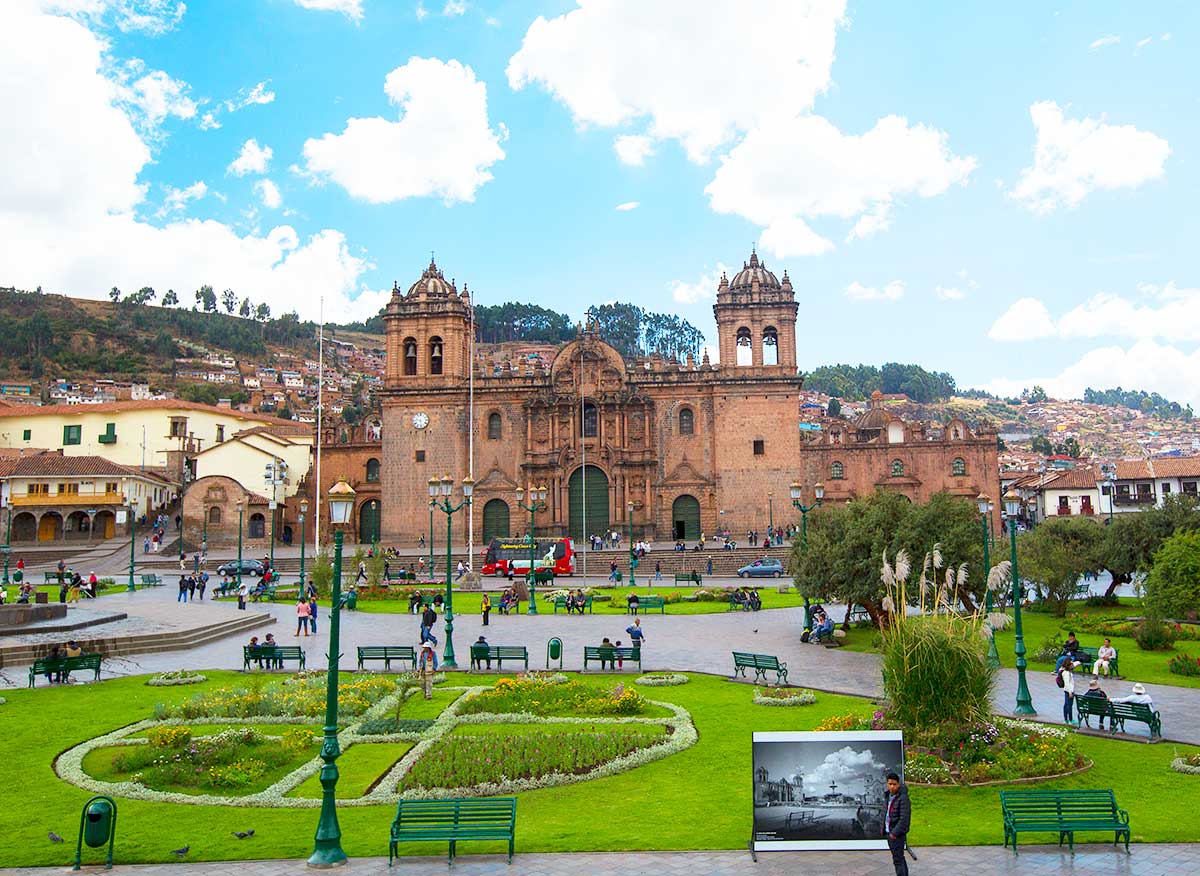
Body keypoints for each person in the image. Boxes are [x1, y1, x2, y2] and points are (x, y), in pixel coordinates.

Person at [883, 772, 911, 876]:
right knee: (899, 858)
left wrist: (894, 833)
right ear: (887, 784)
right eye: (890, 784)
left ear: (898, 784)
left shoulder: (903, 798)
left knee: (898, 860)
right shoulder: (888, 796)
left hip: (896, 835)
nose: (892, 787)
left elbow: (904, 819)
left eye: (894, 784)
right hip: (890, 832)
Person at [1058, 658, 1078, 725]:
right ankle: (1070, 719)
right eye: (1071, 664)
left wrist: (1078, 662)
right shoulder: (1066, 673)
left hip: (1068, 690)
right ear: (1068, 665)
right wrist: (1070, 692)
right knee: (1068, 705)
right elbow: (1067, 683)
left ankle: (1066, 719)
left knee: (1067, 704)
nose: (1073, 665)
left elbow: (1075, 664)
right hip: (1069, 691)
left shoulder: (1065, 671)